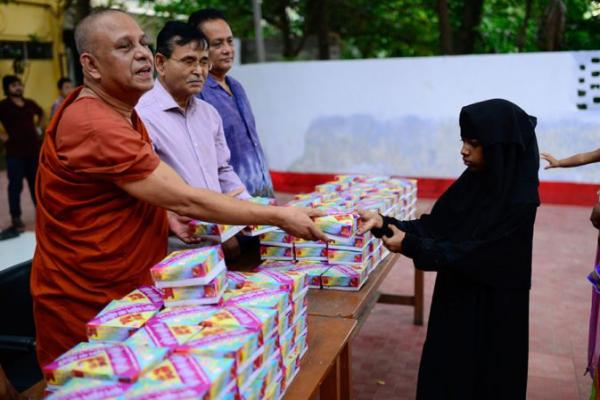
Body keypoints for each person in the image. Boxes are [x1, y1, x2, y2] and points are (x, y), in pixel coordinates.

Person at [32, 9, 327, 368]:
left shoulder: (126, 113)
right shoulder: (94, 123)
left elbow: (141, 189)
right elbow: (185, 196)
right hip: (89, 300)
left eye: (142, 42)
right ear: (91, 66)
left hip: (135, 288)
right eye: (124, 47)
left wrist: (164, 212)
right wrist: (278, 216)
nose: (141, 53)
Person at [359, 99, 540, 399]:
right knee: (446, 376)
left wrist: (413, 245)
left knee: (485, 382)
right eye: (463, 141)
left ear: (498, 148)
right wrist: (384, 223)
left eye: (474, 143)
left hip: (494, 314)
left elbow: (476, 254)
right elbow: (436, 227)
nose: (464, 150)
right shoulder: (473, 183)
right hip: (456, 304)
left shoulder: (520, 203)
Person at [136, 21, 250, 256]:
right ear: (160, 63)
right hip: (175, 247)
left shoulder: (209, 114)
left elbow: (222, 170)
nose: (199, 71)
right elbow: (144, 187)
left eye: (203, 62)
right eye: (188, 61)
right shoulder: (141, 117)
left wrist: (249, 207)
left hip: (220, 239)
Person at [189, 8, 274, 198]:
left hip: (263, 197)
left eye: (229, 41)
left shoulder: (236, 86)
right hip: (232, 204)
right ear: (199, 49)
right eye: (217, 44)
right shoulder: (197, 94)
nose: (227, 49)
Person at [0, 75, 45, 240]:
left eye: (19, 84)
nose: (18, 87)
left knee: (37, 186)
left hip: (33, 152)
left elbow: (41, 113)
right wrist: (2, 135)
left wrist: (39, 129)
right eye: (14, 85)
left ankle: (42, 215)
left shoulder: (29, 103)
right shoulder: (3, 106)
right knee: (15, 186)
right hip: (14, 154)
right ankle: (15, 217)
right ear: (7, 88)